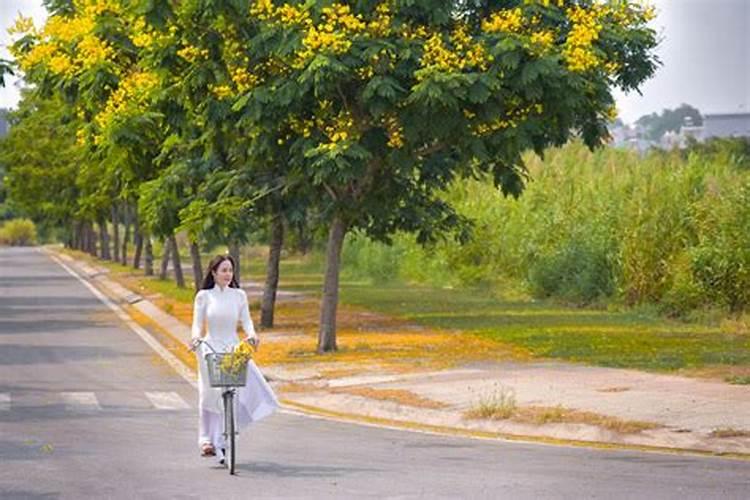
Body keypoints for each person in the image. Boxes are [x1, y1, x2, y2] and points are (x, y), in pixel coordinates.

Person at [189, 254, 279, 462]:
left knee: (233, 391)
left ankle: (222, 440)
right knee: (208, 393)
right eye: (224, 270)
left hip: (232, 347)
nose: (228, 274)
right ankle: (205, 440)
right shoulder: (204, 296)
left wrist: (252, 335)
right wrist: (196, 339)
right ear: (213, 272)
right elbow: (197, 324)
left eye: (230, 270)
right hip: (209, 348)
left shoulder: (239, 295)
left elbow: (246, 321)